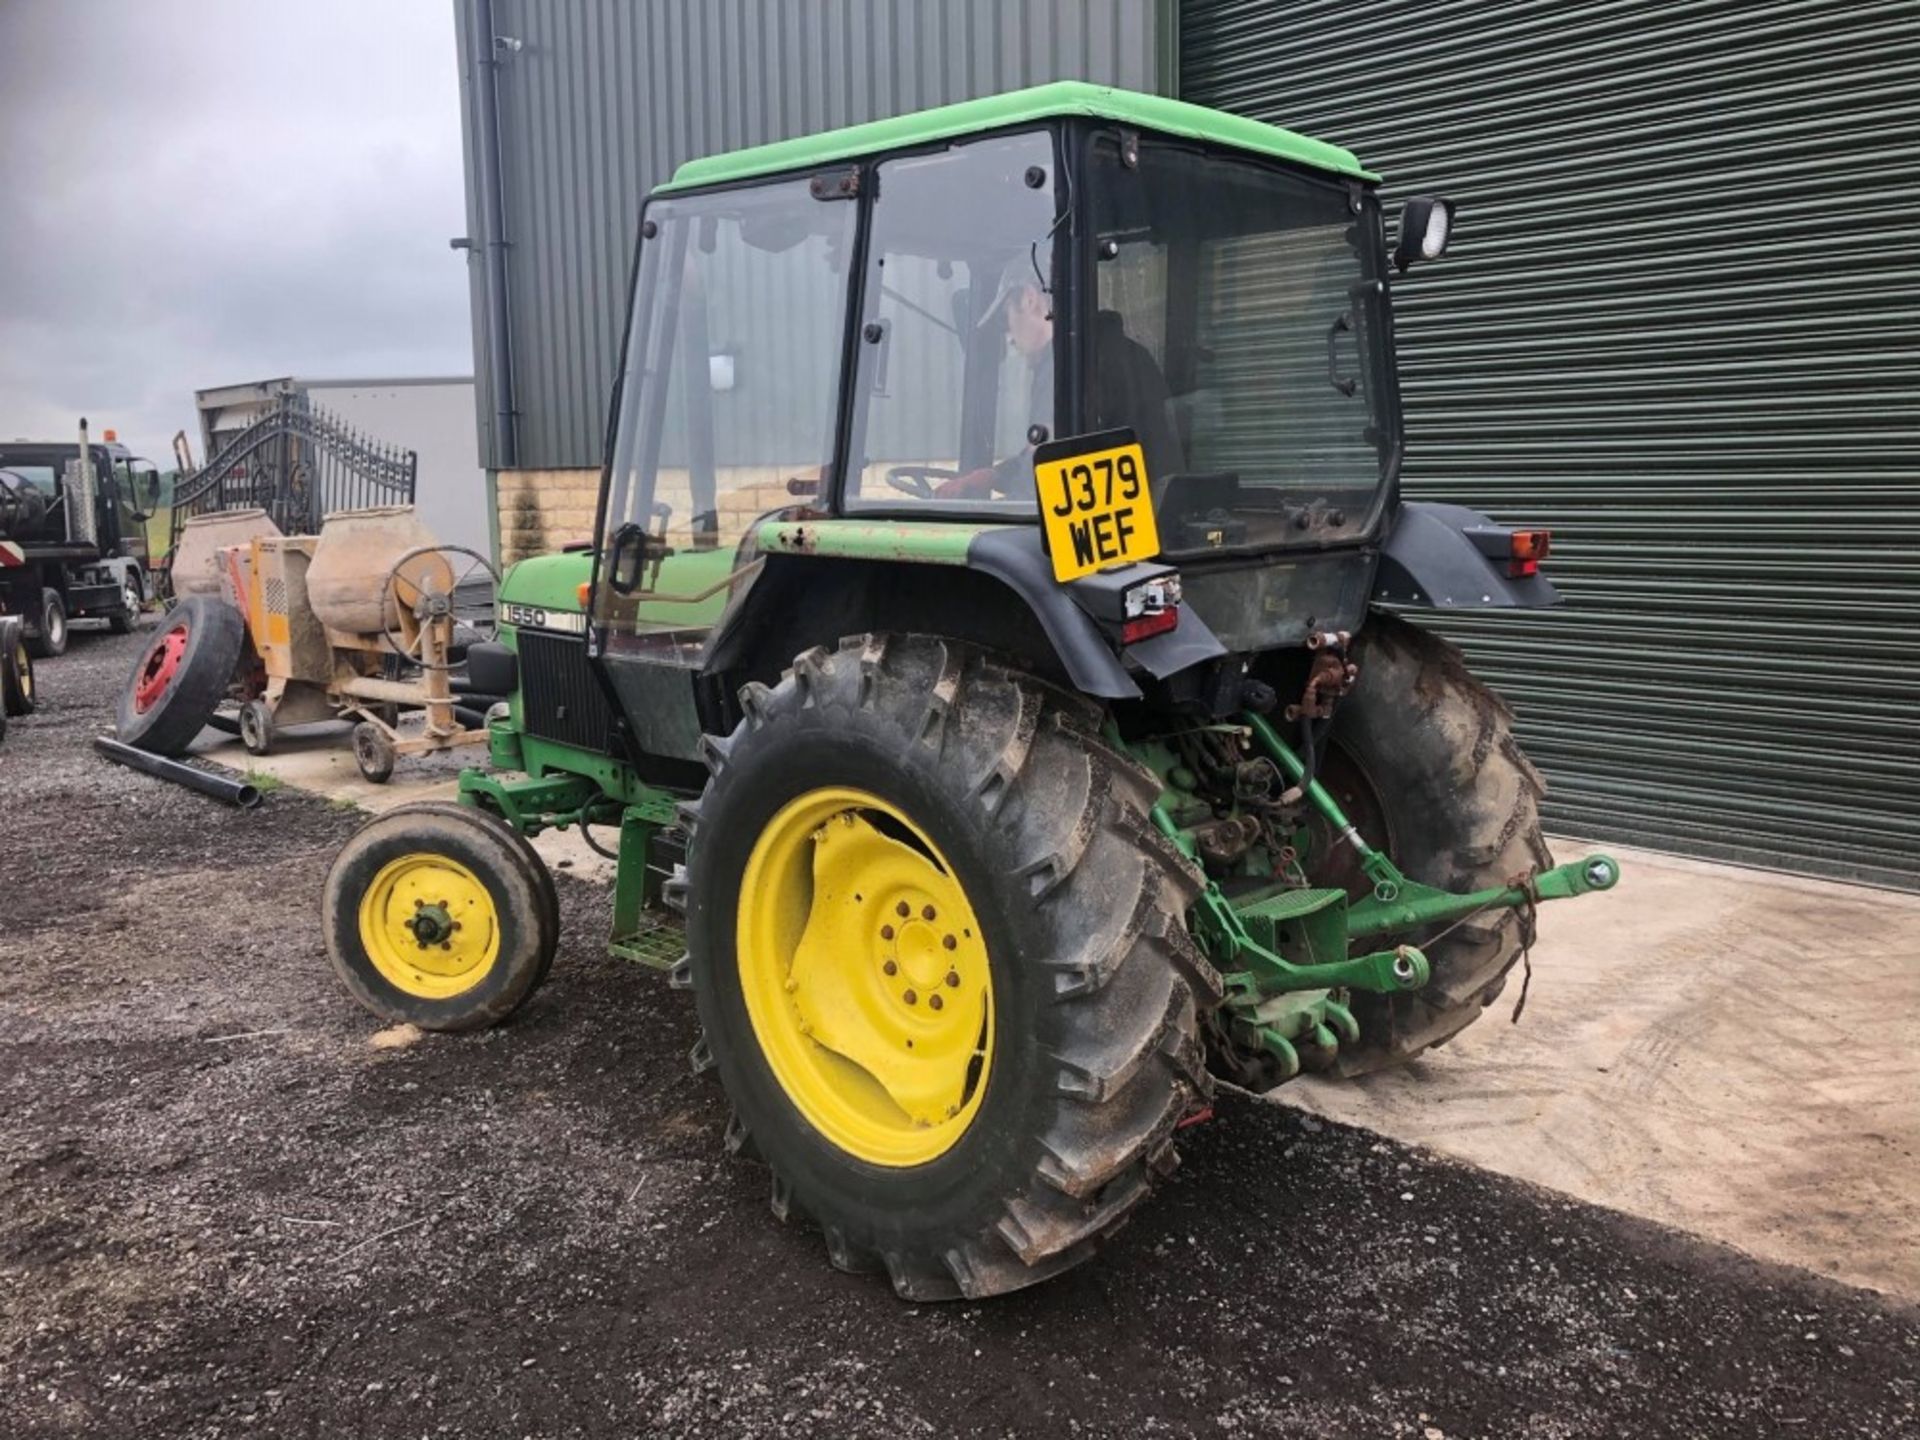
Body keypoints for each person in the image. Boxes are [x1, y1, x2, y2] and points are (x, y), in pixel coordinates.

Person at [934, 254, 1182, 500]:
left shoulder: (1063, 368)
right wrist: (994, 476)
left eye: (1006, 319)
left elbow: (1041, 492)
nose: (1009, 337)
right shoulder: (1126, 353)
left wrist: (983, 512)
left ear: (1029, 299)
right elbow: (1053, 452)